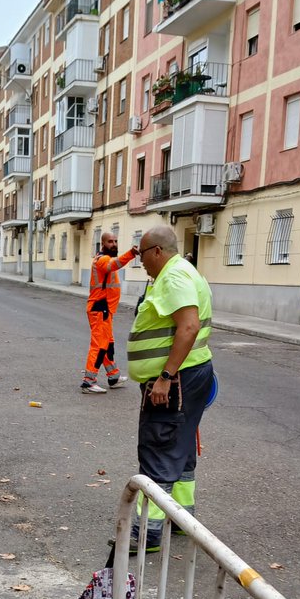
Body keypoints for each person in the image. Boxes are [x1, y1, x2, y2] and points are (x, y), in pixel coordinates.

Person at [127, 225, 213, 552]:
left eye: (142, 254)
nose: (141, 261)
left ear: (157, 252)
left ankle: (146, 534)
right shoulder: (189, 272)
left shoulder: (174, 277)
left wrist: (165, 375)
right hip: (192, 374)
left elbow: (189, 326)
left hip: (176, 380)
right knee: (181, 445)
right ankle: (181, 518)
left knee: (159, 445)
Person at [81, 232, 139, 394]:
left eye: (115, 241)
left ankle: (113, 376)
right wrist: (131, 254)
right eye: (110, 242)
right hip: (100, 309)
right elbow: (114, 265)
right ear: (102, 243)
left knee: (108, 344)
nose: (114, 244)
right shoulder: (102, 260)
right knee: (99, 345)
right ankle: (89, 381)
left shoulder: (107, 259)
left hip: (104, 310)